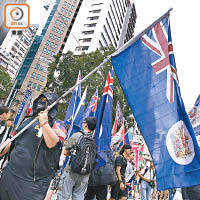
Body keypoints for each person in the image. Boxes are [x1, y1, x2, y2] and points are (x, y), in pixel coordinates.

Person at [0, 92, 65, 200]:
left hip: (32, 183)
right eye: (40, 100)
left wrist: (44, 123)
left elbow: (53, 144)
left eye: (46, 102)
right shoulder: (27, 120)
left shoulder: (57, 125)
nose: (41, 104)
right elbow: (13, 140)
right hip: (11, 173)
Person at [57, 117, 97, 200]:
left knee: (64, 196)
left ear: (86, 125)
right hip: (85, 173)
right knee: (79, 196)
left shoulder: (77, 135)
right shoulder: (94, 140)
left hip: (71, 170)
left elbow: (65, 152)